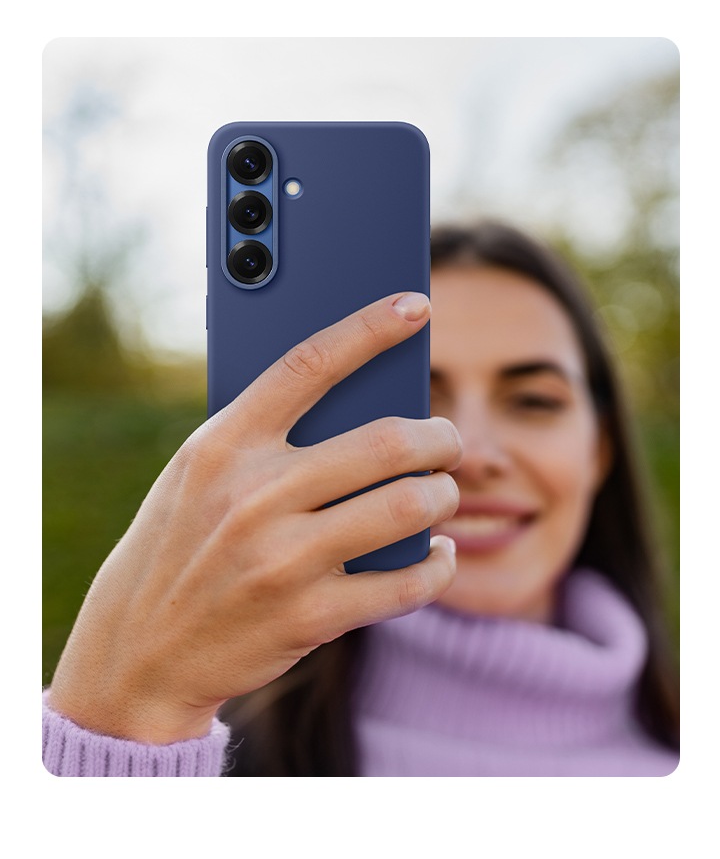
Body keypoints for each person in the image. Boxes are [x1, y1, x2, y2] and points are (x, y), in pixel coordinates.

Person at [42, 222, 679, 776]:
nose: (473, 451)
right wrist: (121, 723)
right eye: (420, 398)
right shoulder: (188, 754)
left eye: (535, 401)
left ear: (601, 449)